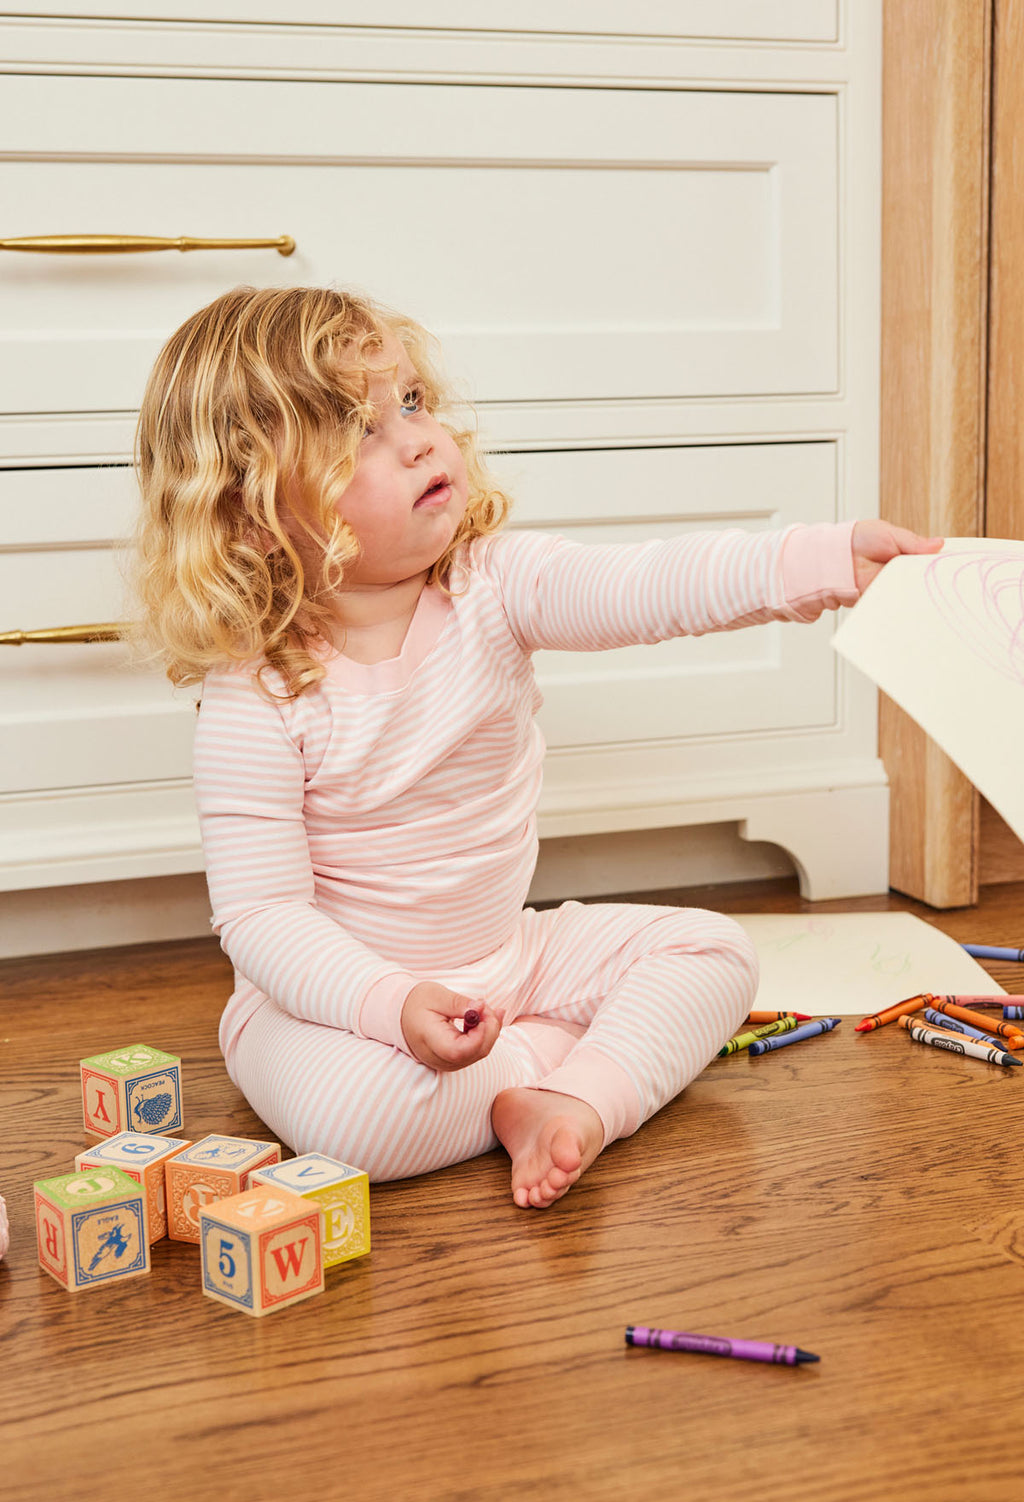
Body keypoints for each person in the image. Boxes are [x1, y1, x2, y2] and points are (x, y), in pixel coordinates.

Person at [132, 285, 941, 1209]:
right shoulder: (257, 691)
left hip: (512, 959)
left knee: (715, 953)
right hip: (334, 1010)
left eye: (411, 402)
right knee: (357, 1123)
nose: (419, 438)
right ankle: (564, 1066)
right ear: (252, 514)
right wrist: (390, 1007)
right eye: (358, 432)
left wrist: (822, 561)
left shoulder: (496, 582)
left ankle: (570, 1100)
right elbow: (265, 919)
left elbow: (649, 585)